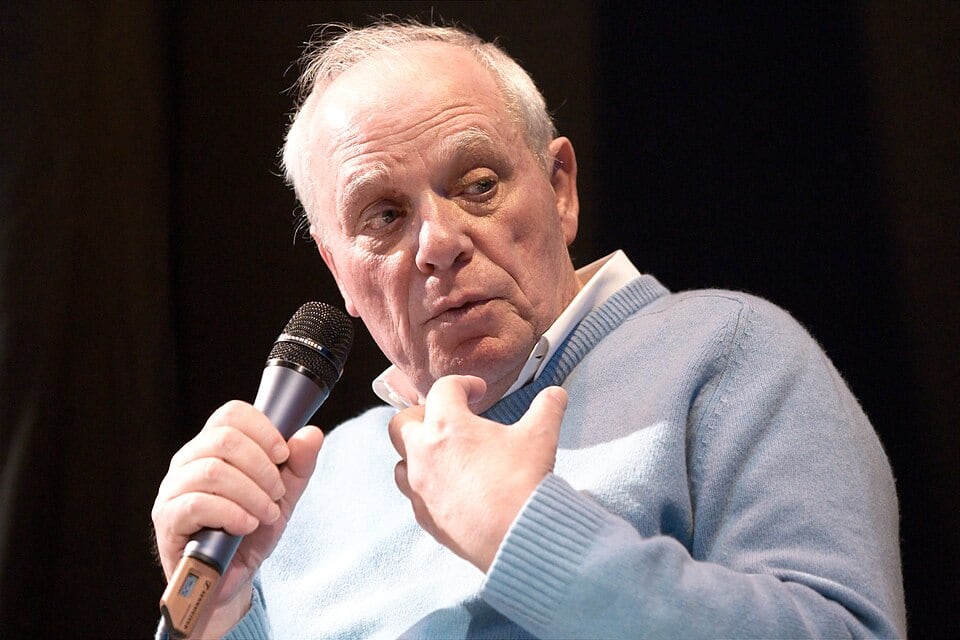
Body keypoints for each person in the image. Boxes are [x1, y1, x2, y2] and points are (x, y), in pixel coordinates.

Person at [152, 20, 906, 639]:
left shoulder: (728, 356)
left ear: (560, 190)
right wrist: (216, 621)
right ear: (337, 270)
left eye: (477, 185)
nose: (438, 241)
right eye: (384, 216)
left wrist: (526, 531)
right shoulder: (301, 492)